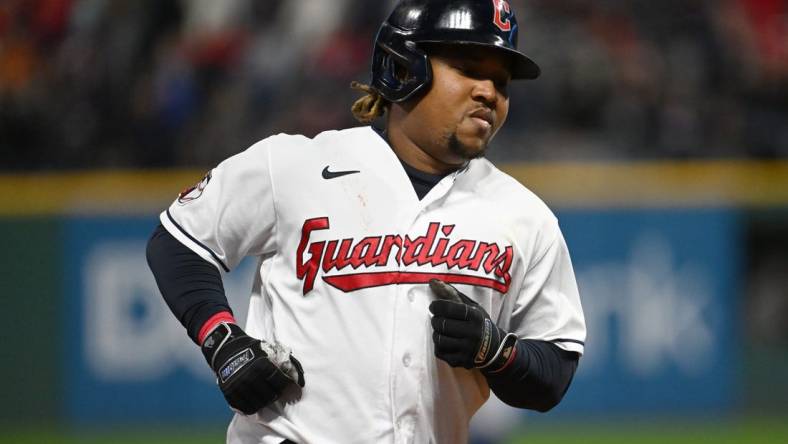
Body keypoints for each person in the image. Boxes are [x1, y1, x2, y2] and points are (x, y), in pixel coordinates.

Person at [146, 1, 586, 442]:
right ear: (404, 68)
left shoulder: (523, 215)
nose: (489, 92)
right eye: (470, 69)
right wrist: (222, 340)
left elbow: (555, 368)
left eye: (502, 81)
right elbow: (180, 241)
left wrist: (497, 351)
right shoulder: (297, 165)